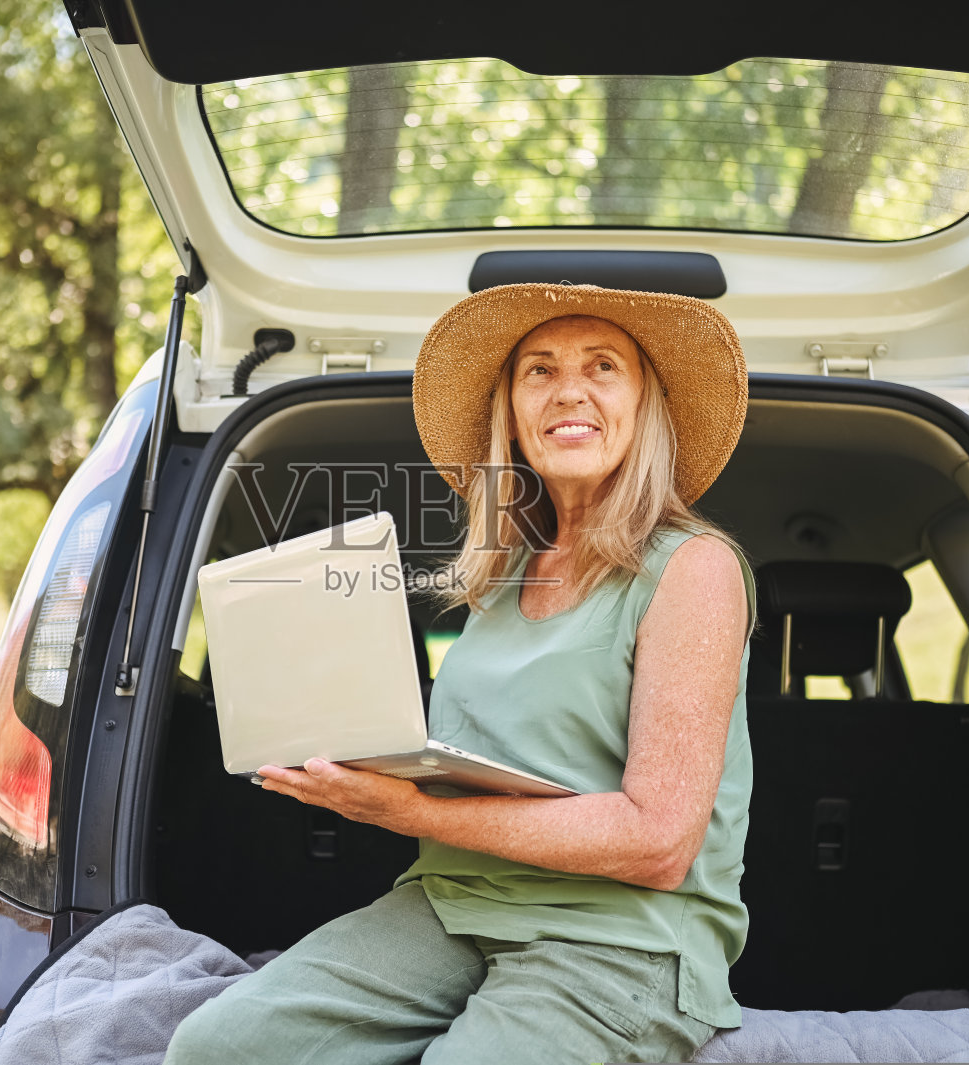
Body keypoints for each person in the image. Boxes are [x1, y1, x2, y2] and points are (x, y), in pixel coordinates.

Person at [165, 283, 756, 1065]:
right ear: (510, 410)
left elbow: (658, 841)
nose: (568, 389)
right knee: (217, 1049)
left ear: (645, 407)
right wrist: (350, 750)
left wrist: (409, 812)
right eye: (538, 370)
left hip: (621, 933)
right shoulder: (504, 574)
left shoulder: (693, 569)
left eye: (602, 366)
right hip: (452, 902)